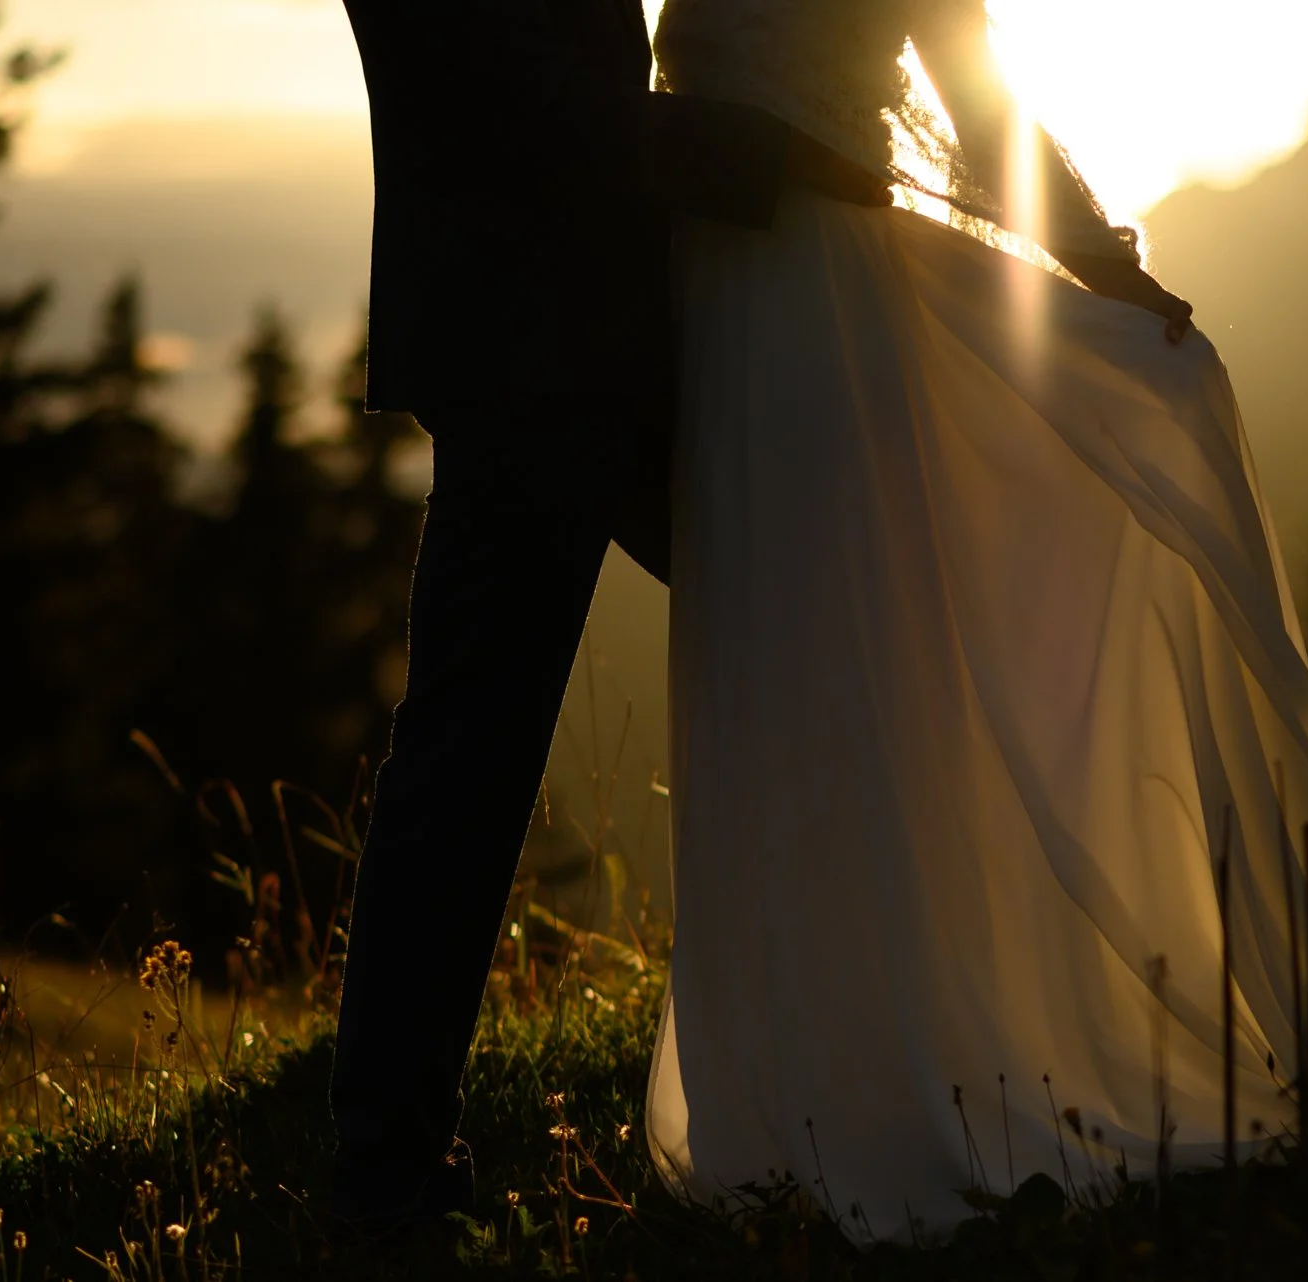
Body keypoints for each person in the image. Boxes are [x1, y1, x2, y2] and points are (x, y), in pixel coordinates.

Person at [644, 0, 1308, 1244]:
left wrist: (1108, 270)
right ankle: (802, 1070)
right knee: (781, 683)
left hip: (832, 319)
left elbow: (978, 99)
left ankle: (920, 1063)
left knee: (865, 674)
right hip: (722, 316)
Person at [327, 0, 893, 1233]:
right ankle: (383, 1168)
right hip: (530, 352)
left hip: (623, 329)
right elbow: (531, 110)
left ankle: (851, 1055)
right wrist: (778, 154)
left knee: (829, 619)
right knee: (469, 753)